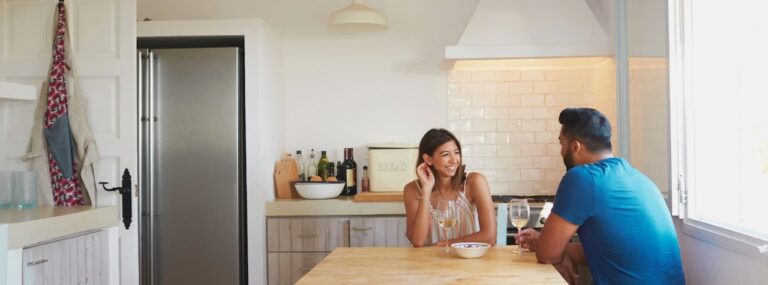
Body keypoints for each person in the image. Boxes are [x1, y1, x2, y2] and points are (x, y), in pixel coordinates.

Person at [517, 108, 685, 285]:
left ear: (575, 147)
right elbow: (609, 250)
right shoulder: (637, 178)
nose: (561, 151)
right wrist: (557, 249)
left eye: (562, 143)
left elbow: (546, 254)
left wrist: (554, 253)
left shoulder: (583, 178)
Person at [403, 128, 496, 247]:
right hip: (429, 262)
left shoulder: (475, 182)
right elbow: (418, 241)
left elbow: (490, 236)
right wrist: (426, 189)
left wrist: (447, 244)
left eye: (456, 152)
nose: (454, 160)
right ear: (428, 159)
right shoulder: (412, 189)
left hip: (467, 261)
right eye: (445, 154)